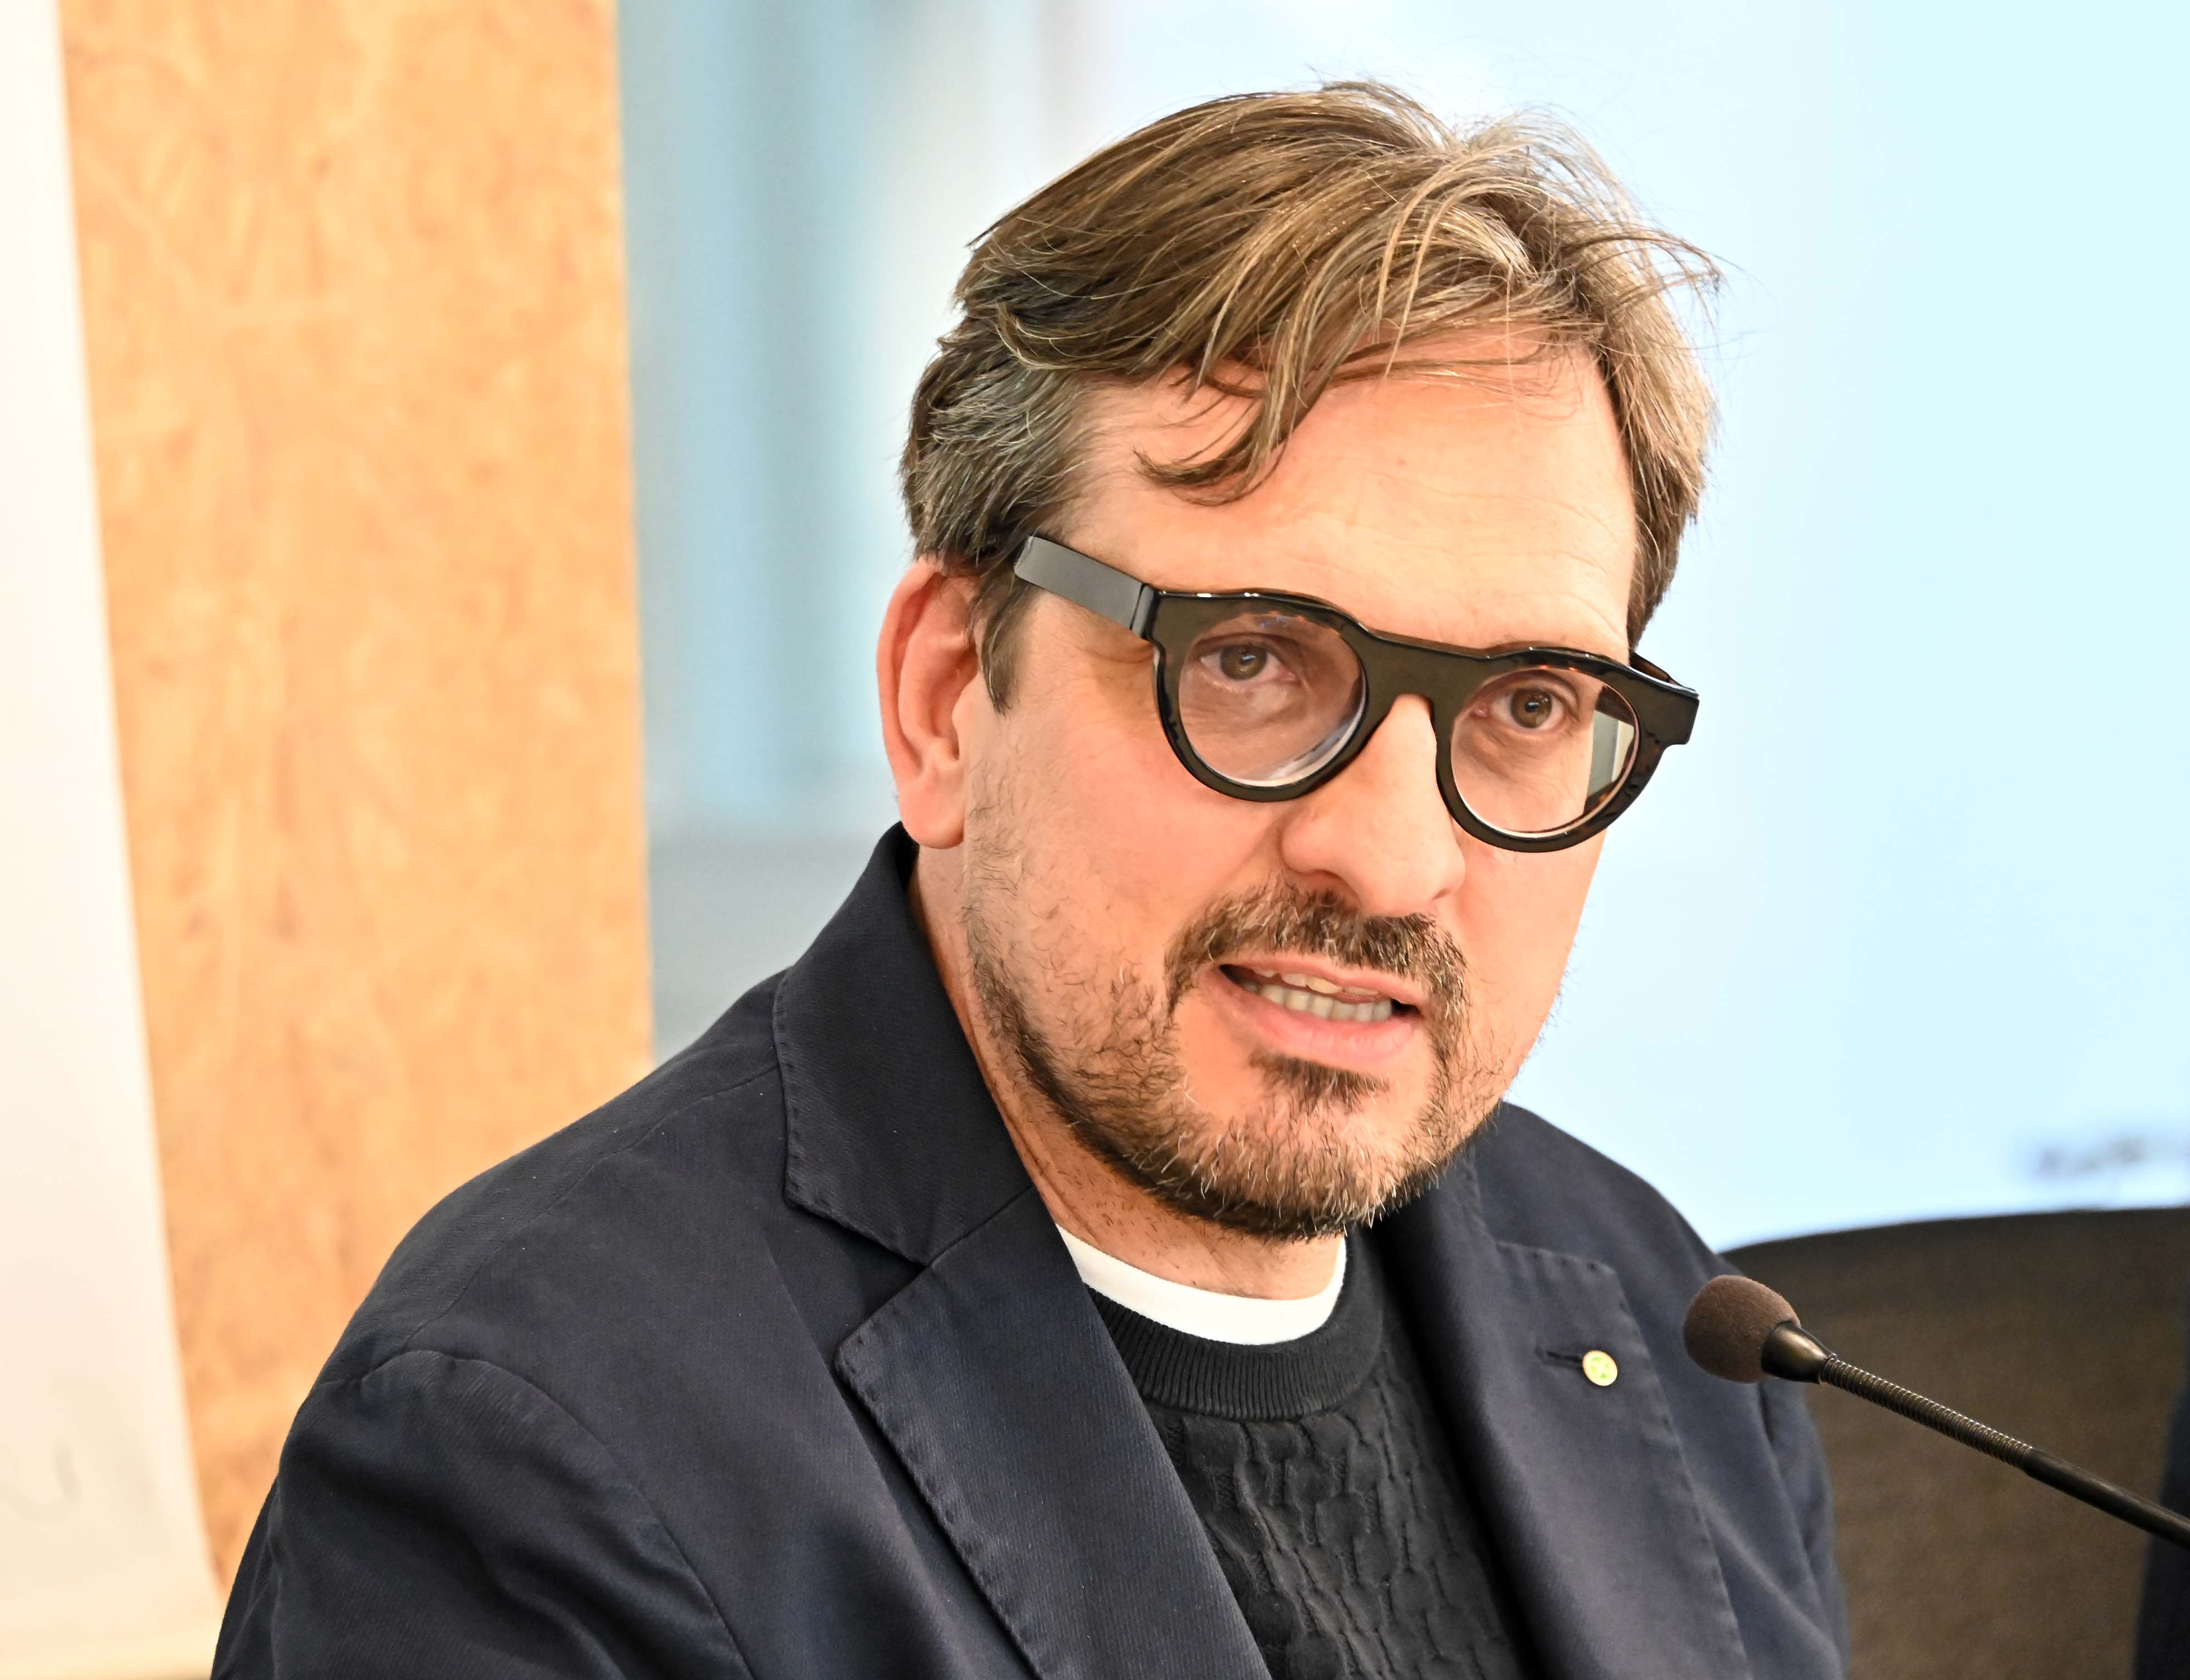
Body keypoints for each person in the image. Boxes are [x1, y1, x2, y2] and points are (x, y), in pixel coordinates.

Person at [216, 83, 1848, 1679]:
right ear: (946, 696)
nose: (1392, 857)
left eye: (1528, 708)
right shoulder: (537, 1443)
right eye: (1250, 662)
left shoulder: (1667, 1319)